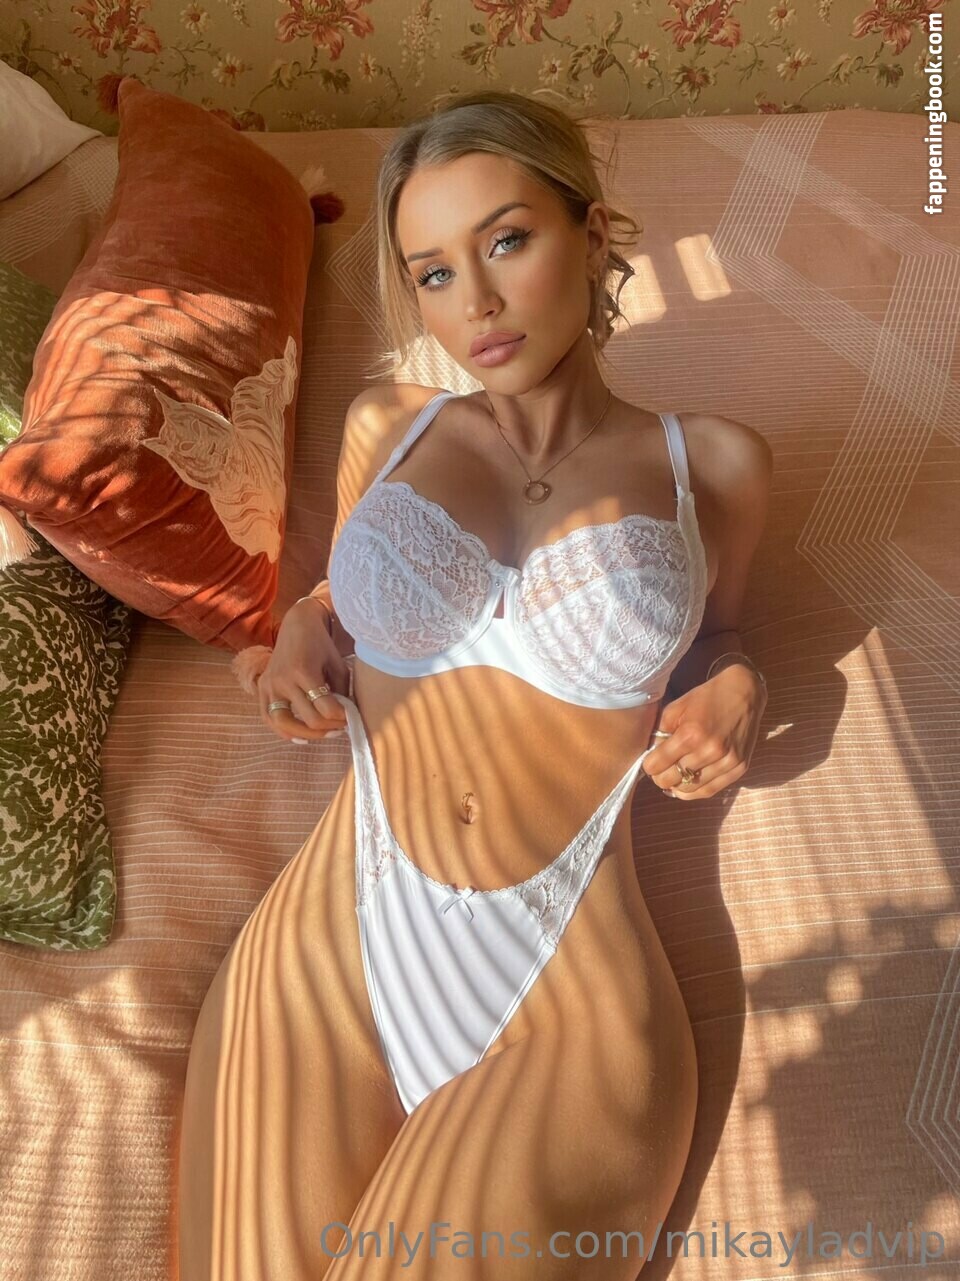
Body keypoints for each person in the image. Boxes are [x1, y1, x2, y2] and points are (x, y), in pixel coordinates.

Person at [178, 89, 772, 1280]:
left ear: (591, 234)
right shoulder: (386, 427)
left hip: (568, 983)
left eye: (507, 241)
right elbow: (339, 597)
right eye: (435, 273)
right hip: (332, 940)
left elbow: (720, 636)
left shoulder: (711, 464)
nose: (477, 304)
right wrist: (302, 635)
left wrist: (739, 689)